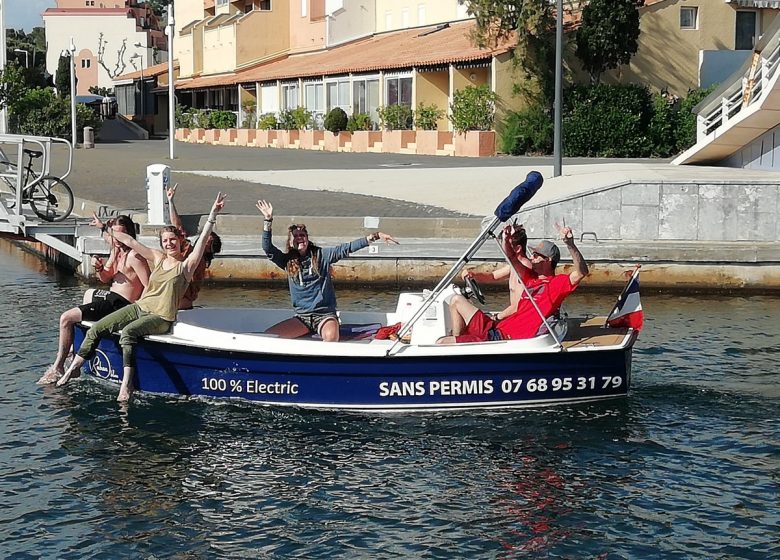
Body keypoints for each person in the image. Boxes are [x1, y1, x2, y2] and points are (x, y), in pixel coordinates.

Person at [56, 192, 227, 402]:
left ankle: (127, 384)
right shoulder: (157, 258)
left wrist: (212, 214)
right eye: (165, 241)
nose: (169, 244)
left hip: (161, 316)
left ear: (181, 242)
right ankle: (72, 370)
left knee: (128, 332)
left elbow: (201, 243)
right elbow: (128, 239)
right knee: (97, 328)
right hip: (142, 307)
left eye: (173, 240)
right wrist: (104, 229)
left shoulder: (186, 267)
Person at [256, 199, 398, 342]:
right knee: (269, 337)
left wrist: (376, 236)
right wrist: (268, 220)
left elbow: (346, 248)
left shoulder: (322, 256)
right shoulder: (287, 261)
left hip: (325, 316)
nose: (300, 238)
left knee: (331, 338)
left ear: (307, 239)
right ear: (290, 242)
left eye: (302, 235)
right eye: (296, 236)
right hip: (302, 318)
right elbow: (267, 248)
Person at [38, 214, 150, 385]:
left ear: (129, 235)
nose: (117, 240)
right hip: (112, 298)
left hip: (121, 304)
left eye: (121, 235)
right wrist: (98, 268)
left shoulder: (135, 257)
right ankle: (76, 349)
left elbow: (148, 285)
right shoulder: (117, 251)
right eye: (115, 236)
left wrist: (139, 309)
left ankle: (58, 367)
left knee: (66, 318)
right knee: (88, 293)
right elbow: (105, 278)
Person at [437, 223, 588, 344]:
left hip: (500, 338)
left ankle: (458, 345)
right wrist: (505, 238)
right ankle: (460, 344)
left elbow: (581, 272)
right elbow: (510, 258)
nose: (532, 257)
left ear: (547, 260)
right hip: (494, 328)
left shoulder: (557, 284)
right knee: (456, 300)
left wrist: (570, 245)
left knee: (442, 342)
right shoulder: (530, 277)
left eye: (536, 255)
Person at [166, 183, 222, 309]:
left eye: (208, 241)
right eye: (204, 237)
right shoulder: (189, 249)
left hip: (181, 300)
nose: (204, 240)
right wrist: (171, 201)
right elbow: (177, 227)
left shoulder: (199, 261)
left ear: (210, 248)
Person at [460, 224, 532, 322]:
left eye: (506, 246)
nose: (503, 251)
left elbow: (517, 306)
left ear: (518, 249)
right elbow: (493, 276)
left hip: (519, 319)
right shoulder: (514, 267)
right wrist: (474, 274)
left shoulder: (524, 268)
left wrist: (496, 317)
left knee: (457, 303)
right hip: (513, 317)